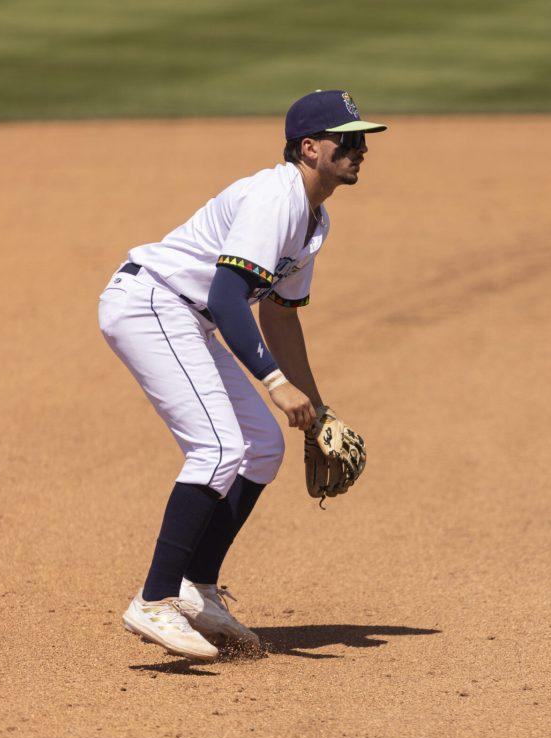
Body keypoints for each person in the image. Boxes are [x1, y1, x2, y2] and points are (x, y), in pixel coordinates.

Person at [97, 90, 386, 661]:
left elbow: (278, 315)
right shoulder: (273, 198)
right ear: (310, 148)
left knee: (260, 447)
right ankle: (154, 599)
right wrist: (277, 384)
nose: (359, 149)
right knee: (218, 446)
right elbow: (229, 298)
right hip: (152, 304)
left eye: (362, 140)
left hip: (183, 316)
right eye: (346, 139)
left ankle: (197, 590)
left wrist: (318, 409)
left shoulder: (313, 219)